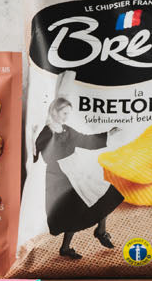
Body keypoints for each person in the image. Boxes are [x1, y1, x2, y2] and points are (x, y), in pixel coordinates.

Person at [32, 97, 123, 259]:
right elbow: (42, 155)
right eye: (64, 113)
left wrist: (108, 134)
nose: (67, 117)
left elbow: (85, 140)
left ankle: (101, 230)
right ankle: (65, 248)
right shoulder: (46, 132)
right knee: (73, 211)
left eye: (69, 114)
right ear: (54, 112)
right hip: (61, 177)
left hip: (77, 171)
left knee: (104, 193)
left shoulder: (66, 129)